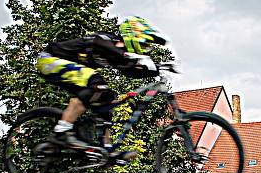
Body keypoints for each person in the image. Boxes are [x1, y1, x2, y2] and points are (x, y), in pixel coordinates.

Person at [38, 16, 166, 155]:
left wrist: (159, 69)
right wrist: (134, 58)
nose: (144, 50)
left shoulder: (118, 56)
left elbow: (131, 72)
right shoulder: (106, 39)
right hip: (50, 59)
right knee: (95, 83)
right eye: (144, 44)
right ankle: (62, 131)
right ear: (132, 35)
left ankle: (105, 148)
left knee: (107, 98)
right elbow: (97, 43)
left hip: (67, 70)